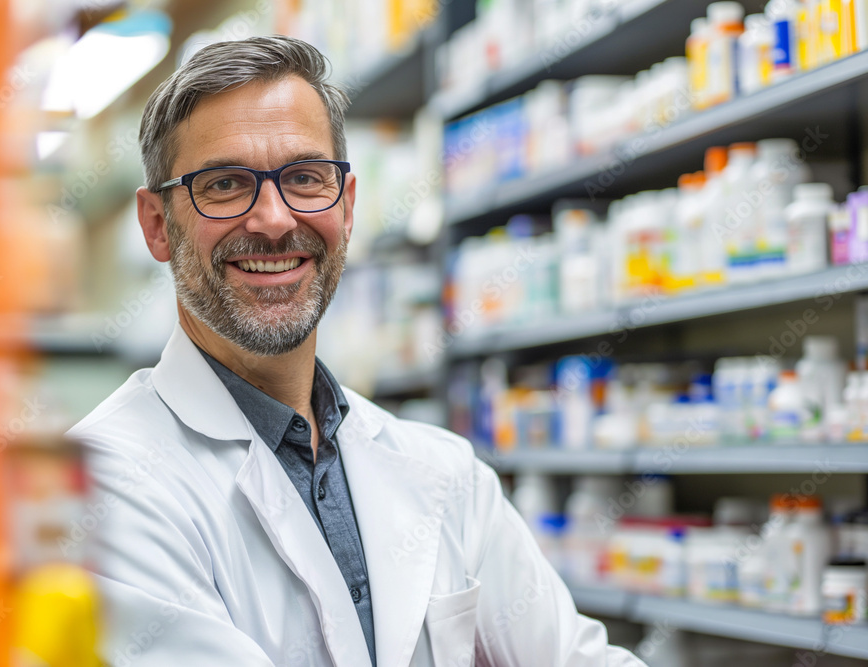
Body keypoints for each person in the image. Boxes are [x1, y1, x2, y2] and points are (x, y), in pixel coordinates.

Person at [69, 34, 644, 667]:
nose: (274, 220)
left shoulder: (446, 474)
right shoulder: (102, 484)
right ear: (156, 223)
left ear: (346, 206)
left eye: (305, 178)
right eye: (226, 184)